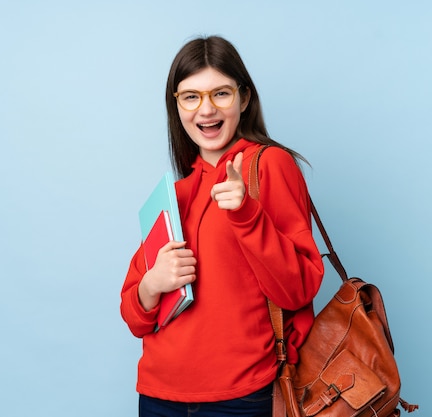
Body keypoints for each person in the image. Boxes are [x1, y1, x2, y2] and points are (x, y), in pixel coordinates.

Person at [120, 35, 324, 417]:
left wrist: (246, 214)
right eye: (191, 96)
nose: (206, 109)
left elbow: (298, 289)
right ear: (176, 105)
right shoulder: (175, 194)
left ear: (244, 99)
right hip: (158, 395)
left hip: (241, 399)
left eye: (221, 94)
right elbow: (134, 316)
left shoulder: (269, 166)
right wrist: (152, 285)